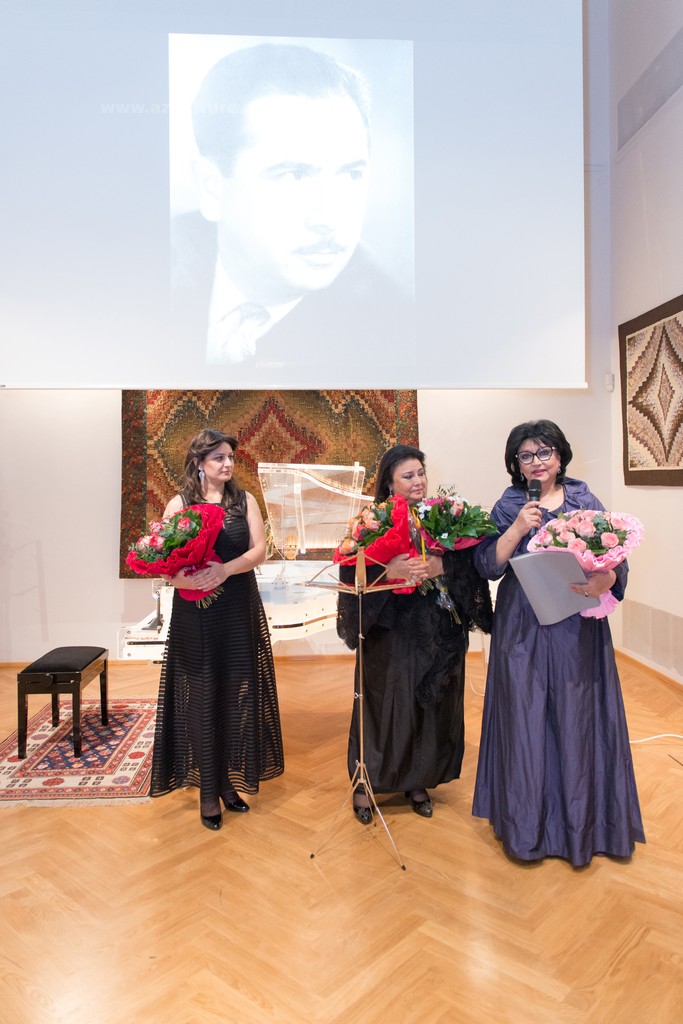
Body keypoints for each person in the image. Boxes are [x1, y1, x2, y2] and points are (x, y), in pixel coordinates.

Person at [170, 42, 413, 377]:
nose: (329, 218)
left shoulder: (393, 327)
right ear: (213, 188)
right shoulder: (148, 265)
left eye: (350, 175)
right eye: (293, 176)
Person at [472, 420, 645, 866]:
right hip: (523, 625)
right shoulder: (510, 503)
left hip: (575, 622)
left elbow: (615, 561)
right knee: (525, 716)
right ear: (516, 463)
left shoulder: (585, 501)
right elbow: (488, 565)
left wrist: (605, 579)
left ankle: (585, 827)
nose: (537, 462)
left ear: (560, 455)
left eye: (544, 452)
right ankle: (526, 829)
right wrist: (516, 528)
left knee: (577, 716)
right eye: (526, 455)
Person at [336, 444, 492, 823]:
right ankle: (366, 785)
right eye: (408, 476)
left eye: (421, 473)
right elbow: (350, 569)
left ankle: (418, 781)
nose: (418, 481)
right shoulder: (373, 520)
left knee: (429, 704)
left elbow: (468, 560)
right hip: (389, 628)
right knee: (385, 704)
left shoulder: (442, 515)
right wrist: (389, 570)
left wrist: (441, 565)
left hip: (436, 627)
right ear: (390, 484)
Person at [150, 428, 284, 830]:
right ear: (199, 463)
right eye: (219, 458)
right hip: (196, 613)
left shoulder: (244, 501)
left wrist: (223, 570)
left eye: (230, 457)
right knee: (201, 696)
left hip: (238, 606)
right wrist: (185, 580)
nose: (228, 464)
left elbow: (259, 550)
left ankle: (226, 781)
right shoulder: (180, 504)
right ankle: (208, 790)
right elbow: (163, 562)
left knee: (235, 695)